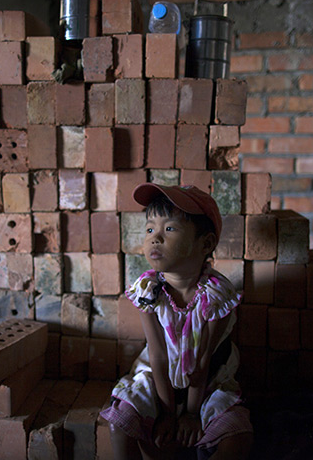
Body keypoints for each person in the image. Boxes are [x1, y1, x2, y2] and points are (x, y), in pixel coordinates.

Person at [101, 183, 254, 459]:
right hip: (158, 379)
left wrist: (192, 415)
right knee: (120, 425)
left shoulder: (217, 295)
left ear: (205, 244)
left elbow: (203, 362)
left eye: (169, 229)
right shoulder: (148, 291)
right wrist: (168, 413)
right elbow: (158, 355)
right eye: (150, 230)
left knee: (238, 437)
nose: (155, 239)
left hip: (208, 382)